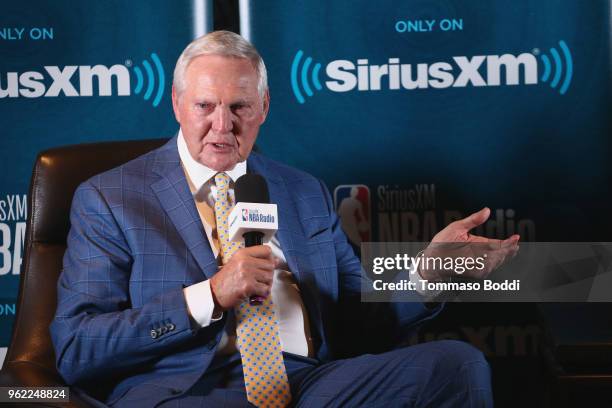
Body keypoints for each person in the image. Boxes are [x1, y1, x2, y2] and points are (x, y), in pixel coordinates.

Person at [50, 30, 519, 407]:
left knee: (458, 364)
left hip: (312, 383)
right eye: (205, 106)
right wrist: (209, 295)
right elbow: (78, 348)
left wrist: (428, 274)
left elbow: (356, 311)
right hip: (191, 389)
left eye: (239, 107)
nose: (222, 125)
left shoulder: (302, 190)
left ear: (264, 108)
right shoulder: (110, 197)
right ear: (176, 104)